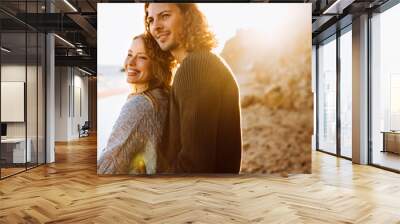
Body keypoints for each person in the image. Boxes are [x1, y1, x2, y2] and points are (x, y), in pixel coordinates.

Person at [145, 3, 243, 173]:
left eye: (165, 16)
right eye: (151, 20)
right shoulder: (203, 61)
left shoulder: (195, 67)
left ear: (187, 17)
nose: (156, 26)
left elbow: (194, 165)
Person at [97, 33, 175, 175]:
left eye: (142, 57)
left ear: (157, 65)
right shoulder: (163, 95)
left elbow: (108, 167)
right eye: (130, 54)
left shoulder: (140, 105)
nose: (130, 63)